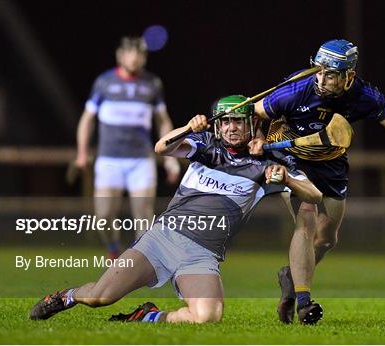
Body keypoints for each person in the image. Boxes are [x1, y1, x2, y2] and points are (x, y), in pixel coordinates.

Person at [30, 95, 322, 324]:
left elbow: (315, 194)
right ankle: (66, 296)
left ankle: (146, 316)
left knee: (207, 317)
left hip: (201, 254)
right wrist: (188, 126)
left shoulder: (266, 164)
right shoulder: (206, 145)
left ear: (252, 125)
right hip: (161, 240)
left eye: (239, 122)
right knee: (98, 297)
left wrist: (285, 179)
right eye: (226, 122)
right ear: (217, 125)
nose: (232, 128)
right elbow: (162, 147)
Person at [248, 39, 385, 324]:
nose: (321, 79)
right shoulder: (297, 89)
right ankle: (303, 302)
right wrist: (259, 137)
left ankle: (291, 276)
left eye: (330, 74)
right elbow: (256, 112)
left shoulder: (363, 95)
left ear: (348, 76)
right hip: (292, 158)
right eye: (318, 71)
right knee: (306, 217)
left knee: (327, 239)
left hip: (331, 163)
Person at [75, 37, 181, 259]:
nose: (134, 58)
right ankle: (113, 249)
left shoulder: (152, 84)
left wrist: (170, 157)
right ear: (120, 55)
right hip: (109, 160)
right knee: (103, 217)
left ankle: (139, 263)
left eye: (139, 54)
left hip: (141, 160)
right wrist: (82, 152)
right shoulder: (104, 82)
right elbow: (87, 119)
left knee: (143, 217)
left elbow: (163, 122)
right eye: (130, 53)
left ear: (144, 57)